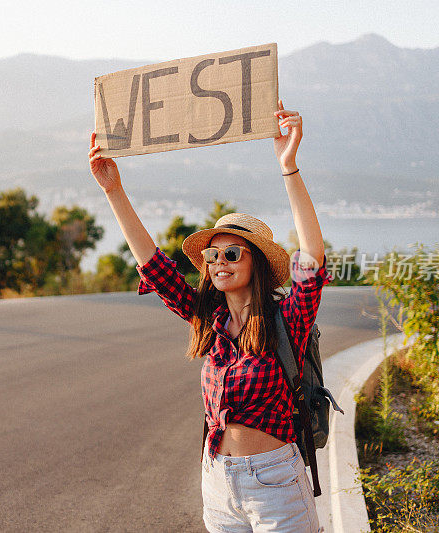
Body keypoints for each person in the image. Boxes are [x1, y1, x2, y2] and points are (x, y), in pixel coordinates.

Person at [88, 100, 330, 532]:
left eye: (232, 253)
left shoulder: (286, 320)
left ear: (255, 262)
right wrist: (113, 191)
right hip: (218, 482)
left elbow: (311, 256)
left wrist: (288, 165)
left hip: (276, 482)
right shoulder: (208, 320)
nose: (220, 261)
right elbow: (154, 267)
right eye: (213, 255)